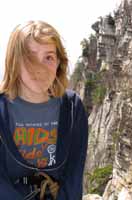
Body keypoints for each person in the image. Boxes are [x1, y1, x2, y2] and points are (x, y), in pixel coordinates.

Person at [0, 20, 88, 200]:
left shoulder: (72, 108)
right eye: (30, 58)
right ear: (14, 62)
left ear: (58, 63)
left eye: (48, 57)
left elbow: (73, 176)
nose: (39, 69)